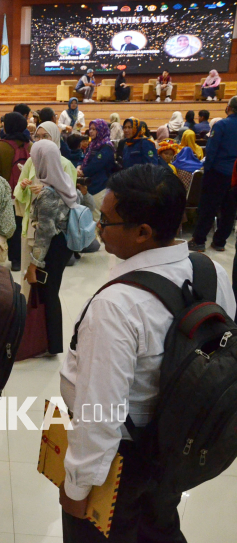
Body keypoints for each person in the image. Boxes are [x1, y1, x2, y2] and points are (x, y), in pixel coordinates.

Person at [60, 165, 236, 543]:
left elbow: (100, 413)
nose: (98, 229)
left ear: (143, 232)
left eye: (105, 221)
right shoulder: (210, 272)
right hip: (176, 445)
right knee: (158, 526)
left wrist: (77, 486)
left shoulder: (117, 305)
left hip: (124, 462)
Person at [25, 140, 79, 356]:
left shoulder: (47, 195)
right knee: (51, 291)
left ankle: (52, 344)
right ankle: (50, 342)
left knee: (49, 292)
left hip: (53, 247)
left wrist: (33, 265)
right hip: (64, 243)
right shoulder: (63, 181)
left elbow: (43, 236)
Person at [189, 97, 237, 253]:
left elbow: (211, 151)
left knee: (208, 208)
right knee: (230, 210)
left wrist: (207, 172)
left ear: (229, 107)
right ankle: (219, 242)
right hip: (235, 175)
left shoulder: (222, 125)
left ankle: (199, 241)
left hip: (218, 172)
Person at [0, 112, 32, 270]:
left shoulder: (0, 147)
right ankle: (24, 257)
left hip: (7, 195)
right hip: (27, 194)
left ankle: (14, 259)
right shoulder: (30, 145)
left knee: (10, 227)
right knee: (24, 226)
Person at [79, 120, 115, 221]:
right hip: (90, 185)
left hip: (100, 187)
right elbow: (83, 158)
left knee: (97, 218)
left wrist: (82, 172)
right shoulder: (93, 145)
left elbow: (96, 165)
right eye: (90, 129)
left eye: (94, 129)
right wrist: (79, 167)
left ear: (101, 130)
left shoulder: (106, 146)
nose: (91, 131)